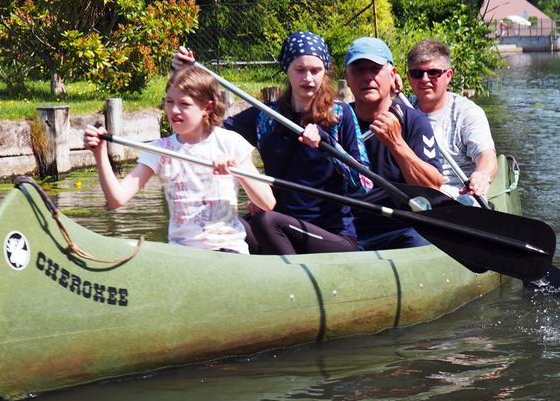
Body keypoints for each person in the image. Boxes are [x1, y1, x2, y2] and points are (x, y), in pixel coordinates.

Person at [174, 32, 369, 255]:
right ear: (287, 69)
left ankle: (292, 281)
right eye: (300, 70)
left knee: (267, 221)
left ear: (325, 71)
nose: (308, 78)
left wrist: (326, 144)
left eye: (315, 71)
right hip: (278, 227)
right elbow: (209, 131)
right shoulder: (267, 116)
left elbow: (363, 182)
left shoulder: (340, 114)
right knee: (225, 225)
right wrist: (187, 78)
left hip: (331, 234)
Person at [84, 66, 275, 255]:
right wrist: (100, 154)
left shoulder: (229, 142)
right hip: (182, 254)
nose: (174, 110)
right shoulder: (158, 149)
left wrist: (237, 169)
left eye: (184, 104)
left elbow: (267, 203)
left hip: (228, 250)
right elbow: (117, 199)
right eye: (169, 102)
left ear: (207, 107)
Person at [343, 37, 444, 249]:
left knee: (420, 240)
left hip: (402, 228)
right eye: (359, 70)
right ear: (347, 78)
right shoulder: (336, 121)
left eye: (375, 69)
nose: (367, 77)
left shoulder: (414, 121)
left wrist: (397, 144)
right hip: (348, 229)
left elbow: (433, 186)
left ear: (392, 75)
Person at [406, 38, 497, 201]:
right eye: (417, 73)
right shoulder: (401, 109)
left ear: (448, 75)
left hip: (458, 197)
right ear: (408, 77)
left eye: (433, 73)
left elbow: (486, 156)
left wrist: (482, 175)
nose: (425, 79)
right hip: (411, 195)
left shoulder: (467, 112)